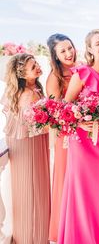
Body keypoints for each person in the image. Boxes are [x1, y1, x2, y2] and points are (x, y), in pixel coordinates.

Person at [58, 29, 99, 244]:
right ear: (89, 49)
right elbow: (66, 106)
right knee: (83, 190)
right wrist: (80, 120)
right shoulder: (81, 73)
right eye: (97, 43)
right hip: (83, 141)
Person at [1, 53, 50, 244]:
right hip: (28, 146)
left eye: (36, 63)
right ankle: (32, 238)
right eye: (33, 67)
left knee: (36, 189)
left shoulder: (35, 87)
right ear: (22, 74)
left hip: (33, 143)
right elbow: (33, 126)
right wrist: (60, 123)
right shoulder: (28, 94)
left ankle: (36, 235)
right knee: (32, 190)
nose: (38, 67)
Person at [46, 33, 77, 242]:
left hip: (87, 133)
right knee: (65, 179)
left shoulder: (82, 69)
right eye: (63, 51)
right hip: (67, 136)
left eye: (70, 47)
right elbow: (55, 114)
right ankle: (63, 230)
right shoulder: (54, 78)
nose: (68, 53)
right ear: (55, 56)